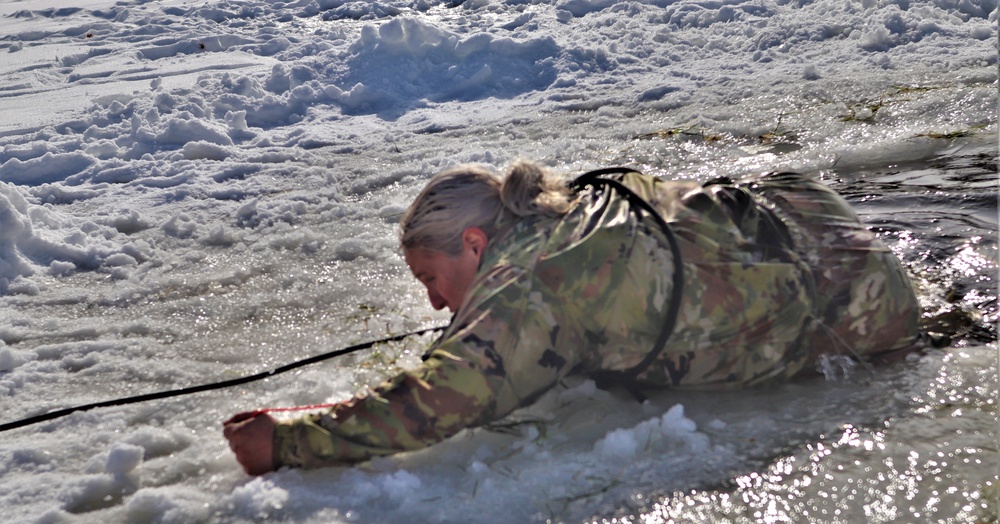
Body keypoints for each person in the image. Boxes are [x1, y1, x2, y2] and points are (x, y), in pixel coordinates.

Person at [224, 161, 921, 475]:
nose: (435, 303)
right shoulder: (558, 213)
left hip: (864, 313)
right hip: (815, 213)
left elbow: (437, 403)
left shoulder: (525, 286)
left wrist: (287, 439)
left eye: (432, 281)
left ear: (474, 243)